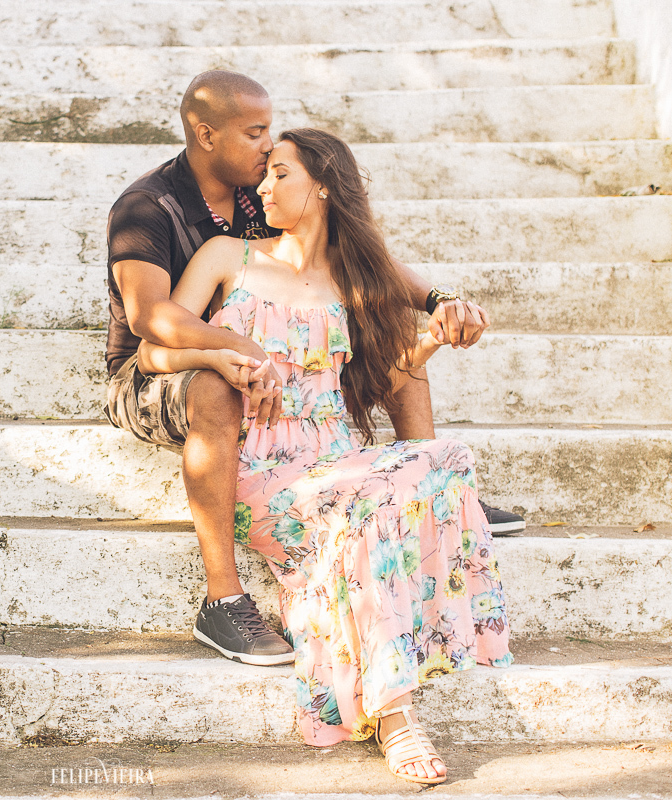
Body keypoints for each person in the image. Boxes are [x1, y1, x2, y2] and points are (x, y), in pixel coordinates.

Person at [105, 70, 523, 669]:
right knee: (216, 387)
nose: (266, 148)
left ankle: (424, 487)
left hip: (267, 381)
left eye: (271, 140)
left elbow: (351, 251)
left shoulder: (258, 192)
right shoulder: (149, 206)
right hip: (155, 373)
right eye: (254, 135)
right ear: (205, 134)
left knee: (397, 356)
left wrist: (436, 302)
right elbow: (150, 321)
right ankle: (223, 598)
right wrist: (243, 350)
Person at [135, 126, 513, 784]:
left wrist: (440, 330)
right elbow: (153, 350)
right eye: (266, 173)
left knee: (441, 460)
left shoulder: (355, 277)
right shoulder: (229, 256)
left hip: (338, 459)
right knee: (388, 499)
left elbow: (384, 378)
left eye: (280, 173)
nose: (263, 185)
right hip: (260, 469)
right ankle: (397, 715)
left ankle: (370, 656)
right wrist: (218, 354)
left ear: (324, 187)